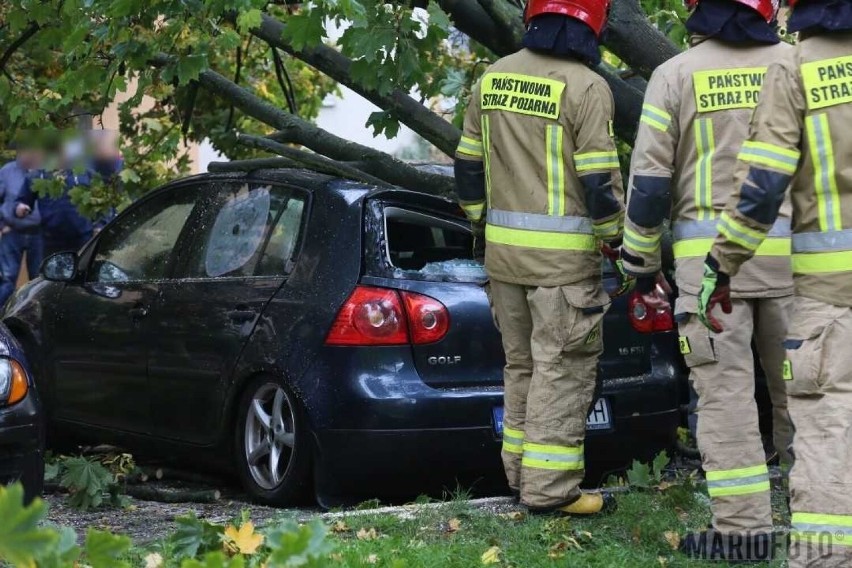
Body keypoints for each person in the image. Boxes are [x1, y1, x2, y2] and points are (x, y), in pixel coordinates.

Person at [621, 0, 793, 560]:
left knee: (725, 400)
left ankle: (745, 535)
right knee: (808, 391)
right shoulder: (798, 65)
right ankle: (819, 512)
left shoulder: (674, 77)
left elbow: (648, 186)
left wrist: (641, 267)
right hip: (798, 261)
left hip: (706, 275)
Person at [454, 0, 625, 516]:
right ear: (592, 22)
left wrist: (480, 223)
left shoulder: (493, 79)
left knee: (522, 366)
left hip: (504, 263)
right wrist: (614, 238)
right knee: (563, 369)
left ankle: (520, 478)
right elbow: (600, 183)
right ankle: (552, 491)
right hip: (563, 271)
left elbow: (466, 170)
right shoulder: (588, 87)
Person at [699, 0, 852, 565]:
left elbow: (762, 188)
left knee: (828, 428)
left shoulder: (795, 66)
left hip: (832, 299)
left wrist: (722, 265)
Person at [0, 147, 44, 305]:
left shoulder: (46, 172)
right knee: (7, 279)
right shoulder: (6, 171)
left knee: (38, 281)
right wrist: (1, 224)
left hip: (39, 234)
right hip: (12, 232)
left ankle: (33, 319)